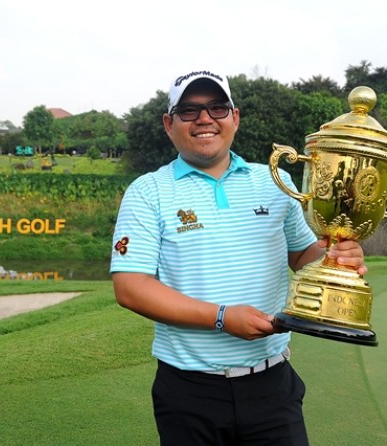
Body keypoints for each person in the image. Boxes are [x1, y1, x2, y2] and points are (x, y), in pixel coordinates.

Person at [110, 70, 367, 446]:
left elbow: (302, 254)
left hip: (272, 385)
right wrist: (221, 317)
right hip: (188, 391)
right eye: (189, 110)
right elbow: (131, 287)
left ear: (235, 117)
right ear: (169, 123)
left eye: (217, 107)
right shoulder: (148, 191)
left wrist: (336, 258)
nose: (204, 119)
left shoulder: (276, 182)